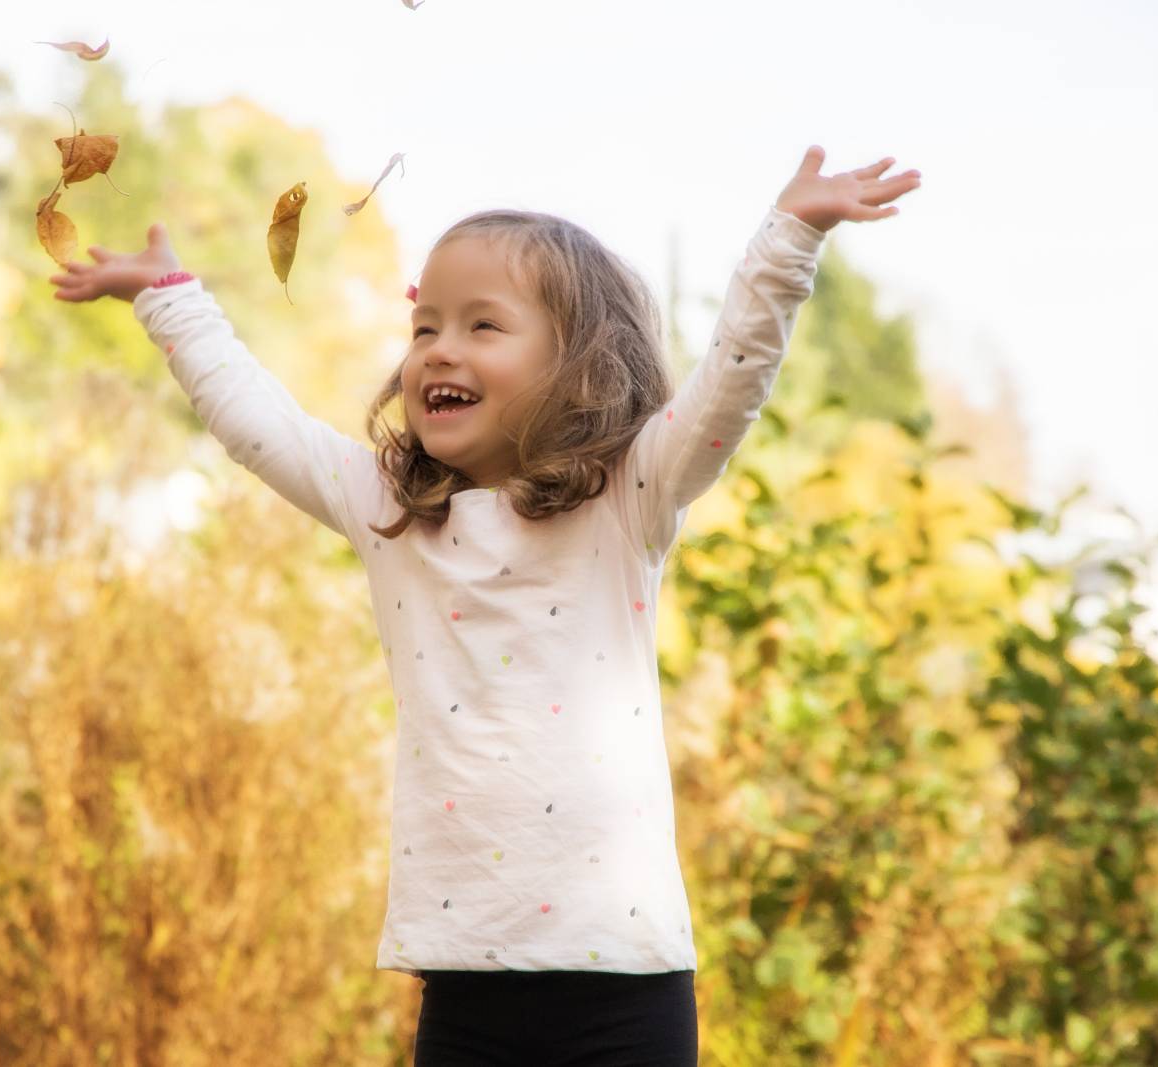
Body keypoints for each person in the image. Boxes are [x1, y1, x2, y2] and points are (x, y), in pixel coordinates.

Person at [50, 144, 920, 1065]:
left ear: (578, 365)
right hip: (465, 978)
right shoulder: (391, 514)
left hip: (624, 982)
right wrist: (169, 296)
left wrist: (790, 237)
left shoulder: (626, 501)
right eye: (424, 327)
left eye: (481, 326)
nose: (440, 351)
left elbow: (728, 385)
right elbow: (261, 427)